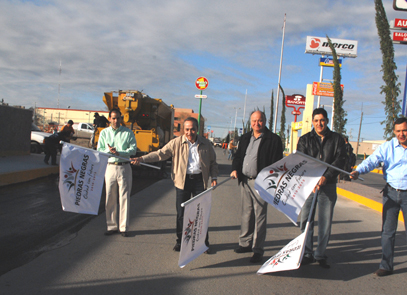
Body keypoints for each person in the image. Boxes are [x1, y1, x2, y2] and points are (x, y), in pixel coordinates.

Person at [350, 117, 407, 285]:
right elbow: (372, 160)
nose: (401, 134)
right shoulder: (388, 146)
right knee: (387, 232)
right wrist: (358, 171)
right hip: (390, 193)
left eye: (404, 130)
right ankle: (386, 265)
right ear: (394, 132)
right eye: (397, 131)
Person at [131, 117, 218, 251]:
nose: (190, 132)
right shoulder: (176, 143)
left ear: (197, 129)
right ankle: (180, 241)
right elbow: (160, 154)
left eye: (193, 129)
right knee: (181, 214)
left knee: (201, 213)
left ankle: (203, 242)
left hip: (200, 181)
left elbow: (213, 162)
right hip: (182, 182)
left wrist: (214, 177)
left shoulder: (206, 143)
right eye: (187, 129)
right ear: (183, 130)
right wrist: (141, 158)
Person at [230, 110, 284, 263]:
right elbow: (238, 156)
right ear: (250, 121)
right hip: (245, 181)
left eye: (259, 120)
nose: (256, 123)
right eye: (254, 120)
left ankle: (258, 250)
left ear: (265, 121)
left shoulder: (273, 140)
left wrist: (268, 181)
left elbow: (277, 163)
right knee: (246, 214)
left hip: (261, 183)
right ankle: (245, 243)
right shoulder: (245, 137)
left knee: (259, 216)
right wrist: (235, 169)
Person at [297, 108, 346, 269]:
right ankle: (307, 253)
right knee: (306, 220)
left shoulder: (337, 139)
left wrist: (326, 176)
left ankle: (320, 254)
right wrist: (314, 178)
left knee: (325, 221)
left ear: (327, 121)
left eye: (322, 120)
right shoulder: (305, 140)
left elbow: (340, 160)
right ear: (312, 121)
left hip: (329, 185)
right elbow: (302, 161)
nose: (319, 123)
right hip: (309, 187)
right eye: (316, 120)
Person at [97, 108, 137, 237]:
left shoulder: (128, 133)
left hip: (124, 167)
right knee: (110, 197)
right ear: (109, 119)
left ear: (121, 119)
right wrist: (111, 152)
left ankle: (124, 227)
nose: (115, 120)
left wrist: (119, 152)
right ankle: (111, 226)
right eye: (113, 118)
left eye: (118, 118)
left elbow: (133, 150)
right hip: (110, 167)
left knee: (124, 197)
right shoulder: (104, 133)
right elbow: (100, 149)